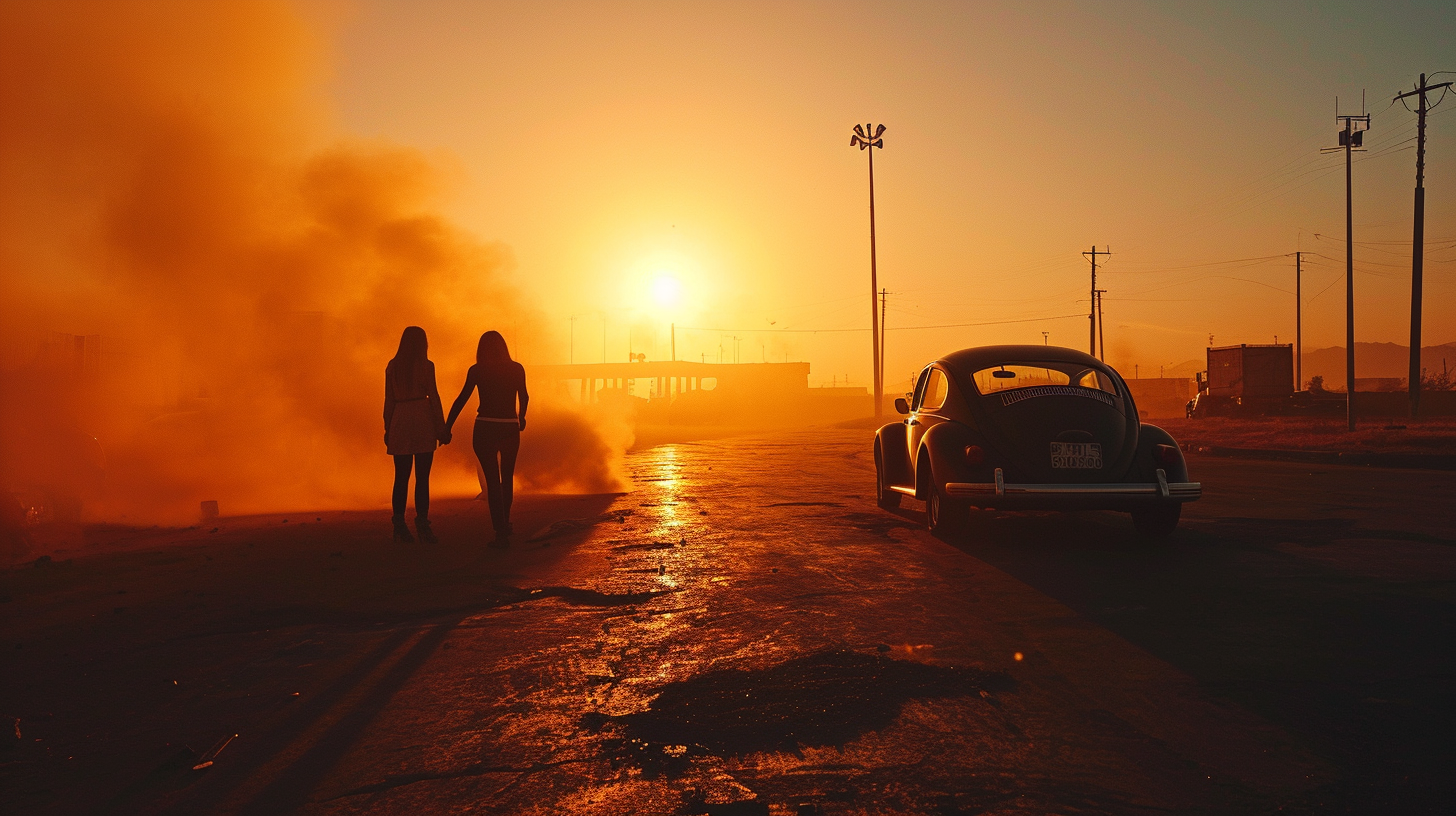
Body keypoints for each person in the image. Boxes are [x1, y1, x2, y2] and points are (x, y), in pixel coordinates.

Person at [445, 331, 528, 545]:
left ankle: (499, 530)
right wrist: (522, 417)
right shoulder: (516, 368)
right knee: (507, 478)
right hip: (509, 426)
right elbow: (524, 396)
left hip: (484, 427)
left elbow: (461, 399)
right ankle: (506, 523)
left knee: (492, 482)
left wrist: (447, 426)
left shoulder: (477, 370)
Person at [384, 326, 447, 544]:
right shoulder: (427, 366)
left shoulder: (393, 367)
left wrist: (387, 428)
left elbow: (388, 401)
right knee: (422, 477)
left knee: (401, 477)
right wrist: (441, 426)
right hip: (422, 418)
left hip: (400, 419)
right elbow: (435, 397)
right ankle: (422, 523)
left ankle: (399, 524)